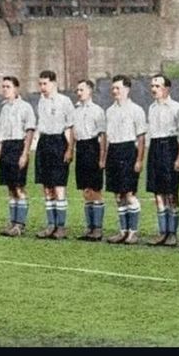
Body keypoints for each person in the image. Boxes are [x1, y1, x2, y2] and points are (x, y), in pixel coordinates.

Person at [104, 75, 147, 245]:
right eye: (113, 88)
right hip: (114, 151)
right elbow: (107, 137)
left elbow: (141, 138)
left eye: (118, 88)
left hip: (129, 151)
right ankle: (123, 231)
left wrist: (139, 160)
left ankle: (133, 232)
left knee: (129, 194)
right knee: (118, 195)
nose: (115, 91)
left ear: (127, 89)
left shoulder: (136, 110)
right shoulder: (109, 111)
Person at [146, 75, 179, 247]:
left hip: (170, 147)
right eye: (152, 85)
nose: (154, 89)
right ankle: (162, 232)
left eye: (157, 86)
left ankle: (172, 233)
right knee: (158, 192)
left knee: (171, 192)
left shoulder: (177, 108)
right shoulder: (152, 108)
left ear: (167, 88)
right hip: (155, 148)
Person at [34, 70, 75, 239]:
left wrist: (69, 149)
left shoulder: (64, 101)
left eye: (45, 83)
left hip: (59, 143)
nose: (42, 87)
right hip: (44, 143)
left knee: (59, 186)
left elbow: (71, 126)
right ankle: (51, 225)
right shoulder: (41, 101)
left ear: (53, 83)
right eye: (40, 84)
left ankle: (61, 227)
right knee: (47, 187)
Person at [0, 75, 36, 237]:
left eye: (8, 87)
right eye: (3, 86)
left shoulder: (25, 107)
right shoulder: (4, 108)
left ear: (16, 89)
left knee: (19, 186)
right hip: (7, 147)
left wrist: (25, 153)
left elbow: (30, 130)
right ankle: (12, 222)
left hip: (19, 146)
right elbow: (2, 131)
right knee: (10, 187)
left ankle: (20, 224)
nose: (5, 89)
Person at [72, 79, 107, 240]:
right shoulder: (76, 110)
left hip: (93, 148)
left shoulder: (98, 111)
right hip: (81, 148)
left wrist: (101, 158)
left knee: (95, 189)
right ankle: (89, 228)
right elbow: (73, 133)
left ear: (90, 91)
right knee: (86, 190)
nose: (79, 93)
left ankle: (98, 229)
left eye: (82, 90)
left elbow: (102, 136)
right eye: (77, 90)